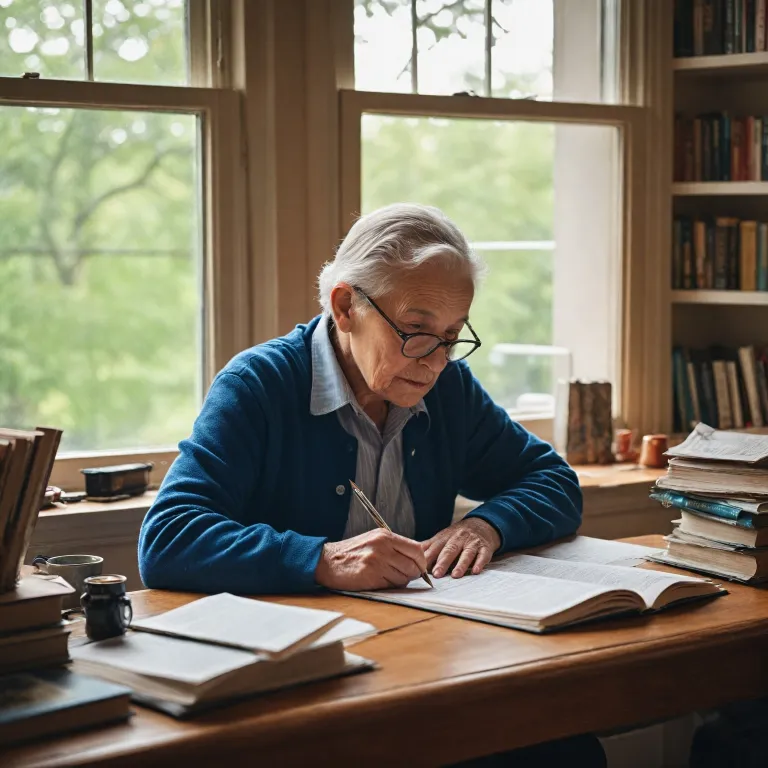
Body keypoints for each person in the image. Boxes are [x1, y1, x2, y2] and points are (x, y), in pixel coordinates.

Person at [139, 203, 604, 766]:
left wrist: (487, 525)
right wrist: (322, 559)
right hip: (298, 683)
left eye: (452, 335)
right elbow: (168, 537)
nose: (436, 361)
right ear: (345, 307)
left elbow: (552, 479)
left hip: (419, 661)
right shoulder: (258, 385)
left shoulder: (449, 390)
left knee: (566, 746)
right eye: (416, 331)